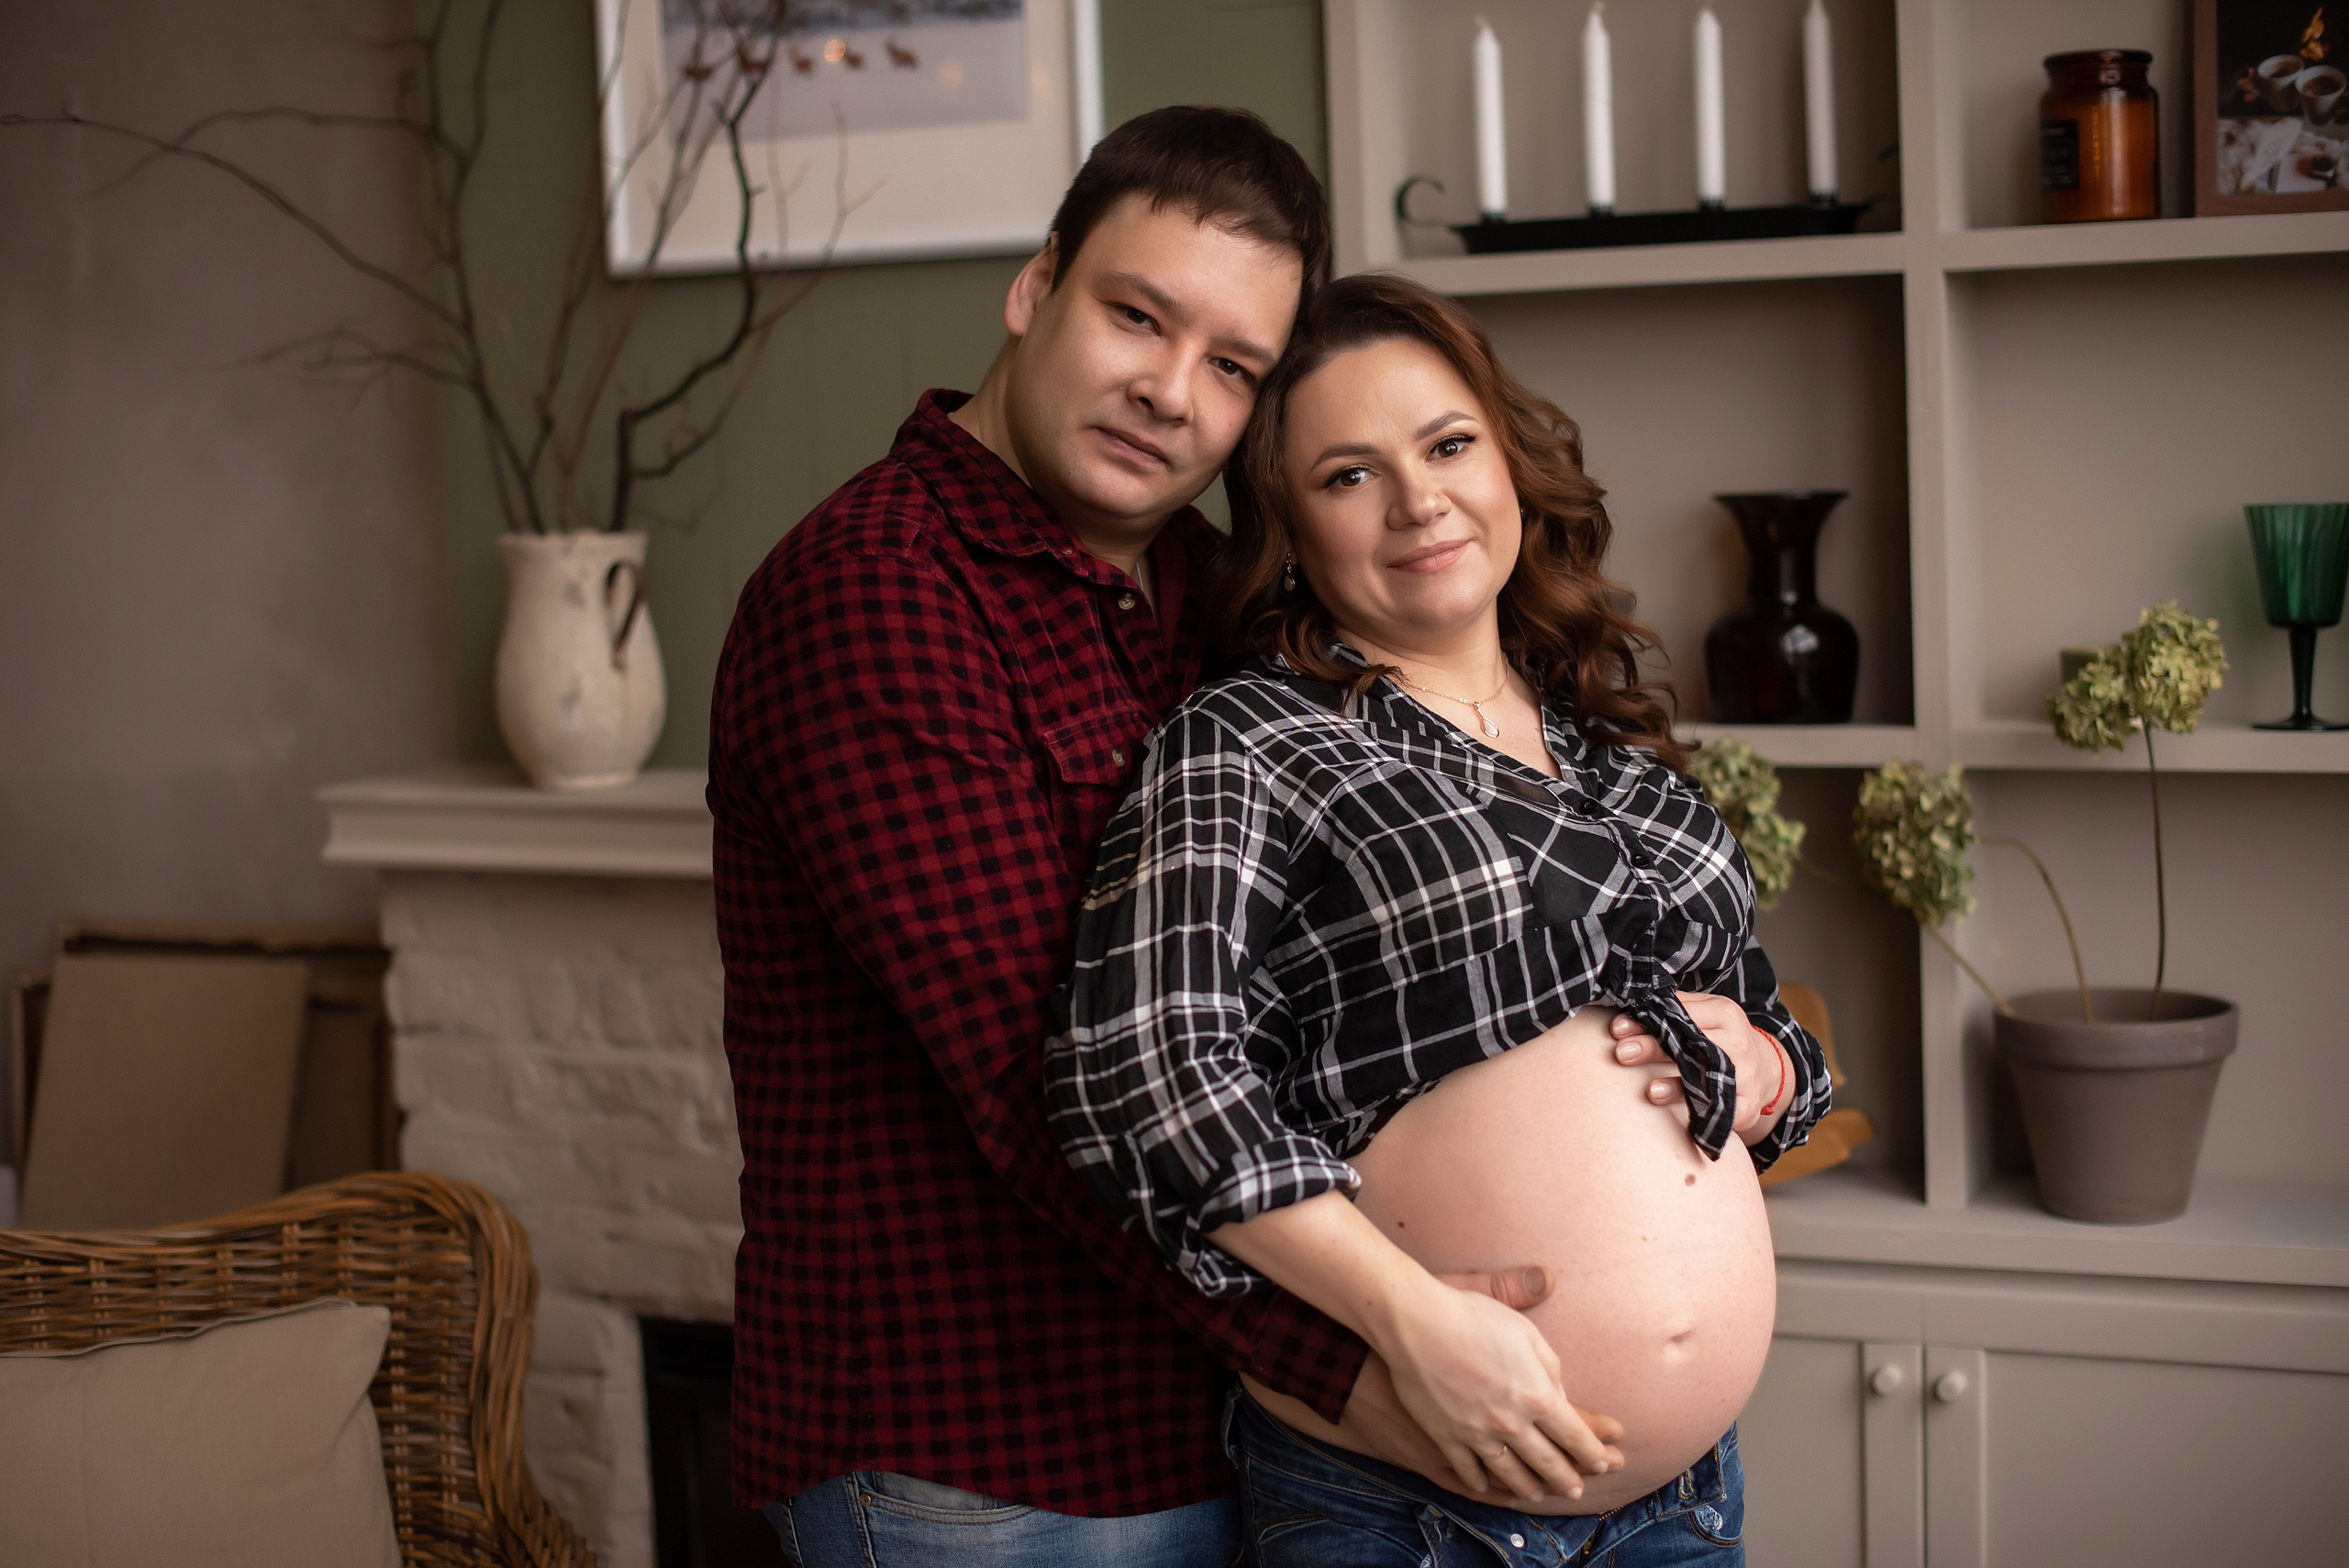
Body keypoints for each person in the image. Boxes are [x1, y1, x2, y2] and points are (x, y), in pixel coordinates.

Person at [708, 109, 1556, 1568]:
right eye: (1136, 316)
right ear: (1037, 287)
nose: (1170, 391)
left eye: (1230, 366)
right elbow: (1049, 1083)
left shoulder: (1211, 588)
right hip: (985, 1468)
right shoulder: (872, 597)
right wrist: (1377, 1343)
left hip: (1228, 1430)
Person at [1048, 272, 1831, 1566]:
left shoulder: (1618, 751)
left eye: (1448, 444)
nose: (1419, 499)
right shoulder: (1252, 742)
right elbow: (1142, 1073)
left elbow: (1762, 1028)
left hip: (1683, 1503)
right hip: (1403, 1505)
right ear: (1289, 526)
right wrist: (1408, 1316)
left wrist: (1768, 1061)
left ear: (1508, 465)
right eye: (1350, 475)